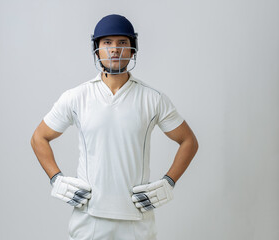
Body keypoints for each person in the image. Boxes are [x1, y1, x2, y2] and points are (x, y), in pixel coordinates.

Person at [31, 14, 198, 240]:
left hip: (137, 222)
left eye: (122, 43)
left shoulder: (153, 98)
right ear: (97, 49)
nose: (115, 50)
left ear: (132, 49)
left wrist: (168, 182)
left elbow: (188, 141)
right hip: (88, 220)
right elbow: (39, 137)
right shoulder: (76, 97)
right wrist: (56, 179)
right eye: (107, 43)